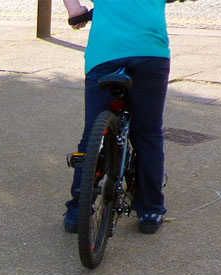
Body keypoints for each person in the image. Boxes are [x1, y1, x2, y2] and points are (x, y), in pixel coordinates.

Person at [61, 0, 177, 234]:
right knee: (148, 134)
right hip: (150, 54)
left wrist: (75, 10)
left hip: (106, 53)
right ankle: (150, 210)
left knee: (91, 133)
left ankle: (77, 211)